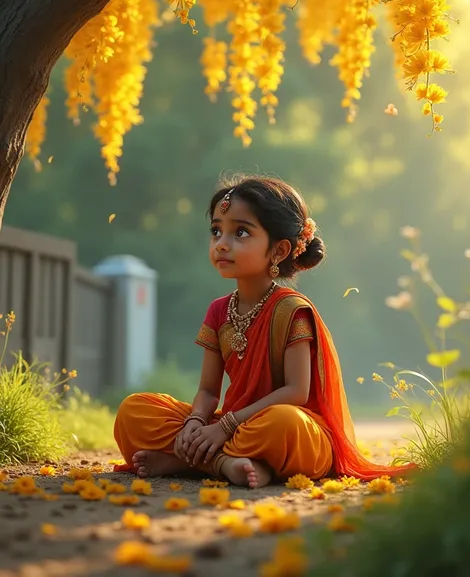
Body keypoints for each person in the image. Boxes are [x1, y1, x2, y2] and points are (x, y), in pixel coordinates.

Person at [114, 175, 415, 488]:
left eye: (240, 232)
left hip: (284, 427)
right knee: (134, 411)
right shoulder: (219, 310)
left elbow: (296, 392)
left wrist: (226, 426)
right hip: (236, 429)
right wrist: (197, 421)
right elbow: (207, 391)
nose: (222, 243)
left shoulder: (291, 309)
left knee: (284, 425)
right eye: (216, 231)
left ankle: (192, 462)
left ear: (279, 250)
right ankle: (226, 463)